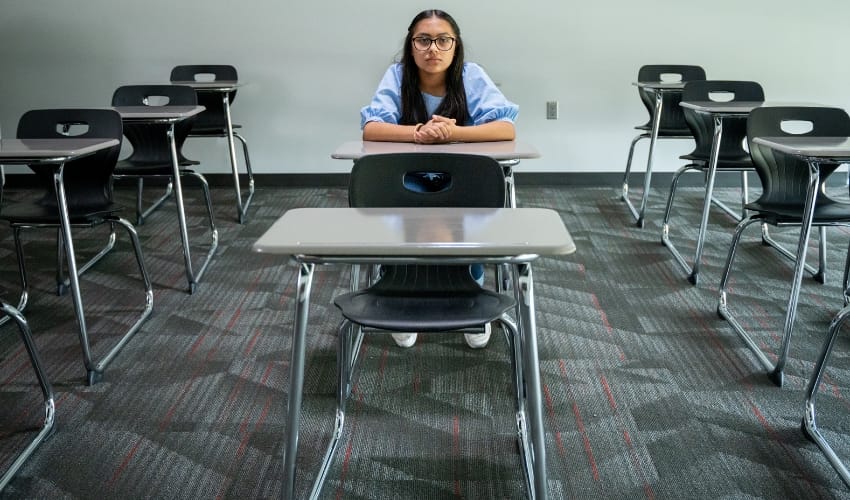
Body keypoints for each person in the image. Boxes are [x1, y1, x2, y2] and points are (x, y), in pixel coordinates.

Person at [359, 9, 519, 349]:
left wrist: (454, 133)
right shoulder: (397, 75)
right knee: (404, 220)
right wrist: (419, 133)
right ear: (411, 45)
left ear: (455, 45)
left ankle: (470, 294)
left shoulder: (471, 75)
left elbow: (505, 128)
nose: (434, 48)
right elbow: (372, 128)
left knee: (464, 217)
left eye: (443, 40)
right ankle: (401, 297)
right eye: (423, 40)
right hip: (408, 182)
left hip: (462, 184)